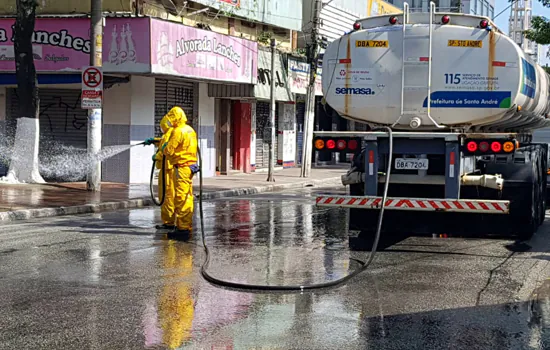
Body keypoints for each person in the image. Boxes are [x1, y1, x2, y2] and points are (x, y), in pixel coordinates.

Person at [161, 106, 198, 241]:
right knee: (187, 196)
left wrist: (163, 147)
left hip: (181, 167)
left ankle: (182, 229)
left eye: (171, 118)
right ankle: (185, 225)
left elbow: (169, 150)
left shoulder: (178, 131)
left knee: (181, 197)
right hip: (190, 166)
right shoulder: (190, 130)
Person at [143, 114, 176, 230]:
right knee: (165, 195)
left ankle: (169, 222)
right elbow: (163, 142)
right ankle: (169, 221)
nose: (161, 127)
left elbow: (167, 149)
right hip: (165, 169)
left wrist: (157, 156)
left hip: (168, 169)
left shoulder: (171, 133)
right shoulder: (168, 133)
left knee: (167, 196)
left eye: (162, 125)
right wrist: (154, 141)